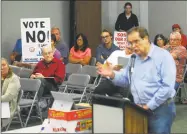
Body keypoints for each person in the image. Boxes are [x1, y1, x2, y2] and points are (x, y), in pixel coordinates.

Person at [97, 27, 176, 134]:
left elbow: (167, 87)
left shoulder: (163, 56)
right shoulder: (134, 58)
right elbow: (126, 79)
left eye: (136, 41)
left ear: (146, 39)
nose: (133, 46)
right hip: (139, 109)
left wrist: (148, 106)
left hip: (160, 109)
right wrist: (112, 74)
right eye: (130, 43)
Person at [1, 58, 21, 128]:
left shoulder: (14, 78)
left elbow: (8, 97)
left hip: (7, 105)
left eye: (4, 65)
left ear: (8, 66)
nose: (1, 67)